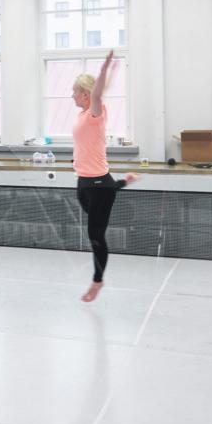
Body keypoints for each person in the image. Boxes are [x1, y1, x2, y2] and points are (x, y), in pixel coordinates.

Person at [70, 50, 138, 303]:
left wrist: (103, 69)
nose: (72, 95)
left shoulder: (95, 113)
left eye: (75, 92)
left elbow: (98, 94)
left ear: (85, 95)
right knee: (94, 219)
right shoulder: (81, 116)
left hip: (98, 184)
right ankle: (119, 184)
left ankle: (97, 281)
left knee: (95, 236)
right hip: (84, 182)